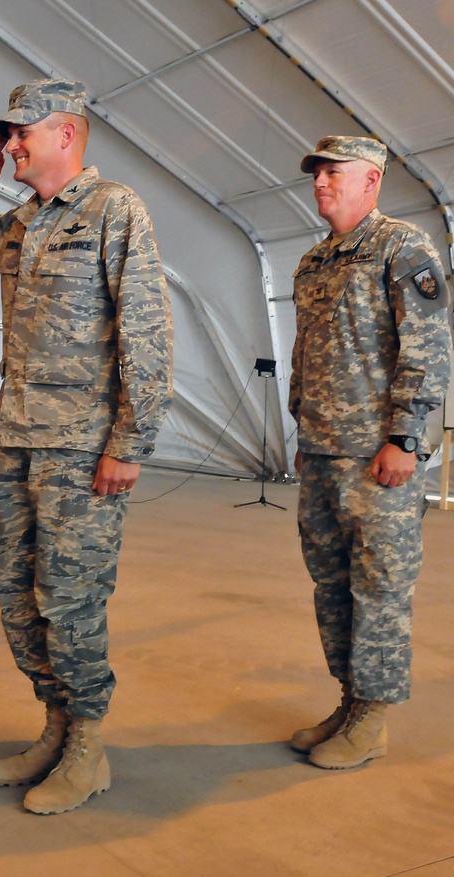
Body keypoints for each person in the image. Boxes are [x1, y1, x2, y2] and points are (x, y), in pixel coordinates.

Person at [0, 79, 173, 814]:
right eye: (6, 130)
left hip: (85, 447)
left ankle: (88, 745)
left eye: (22, 131)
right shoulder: (17, 223)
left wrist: (128, 441)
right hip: (22, 441)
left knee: (70, 598)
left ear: (67, 133)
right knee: (15, 595)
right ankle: (56, 725)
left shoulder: (114, 210)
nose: (12, 142)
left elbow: (147, 332)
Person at [288, 136, 452, 770]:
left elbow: (428, 348)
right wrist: (304, 433)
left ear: (371, 181)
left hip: (380, 455)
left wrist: (404, 437)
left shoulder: (401, 248)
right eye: (318, 173)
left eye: (335, 173)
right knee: (331, 584)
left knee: (380, 584)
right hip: (324, 450)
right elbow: (306, 356)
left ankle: (374, 718)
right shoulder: (314, 261)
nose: (322, 182)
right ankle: (351, 701)